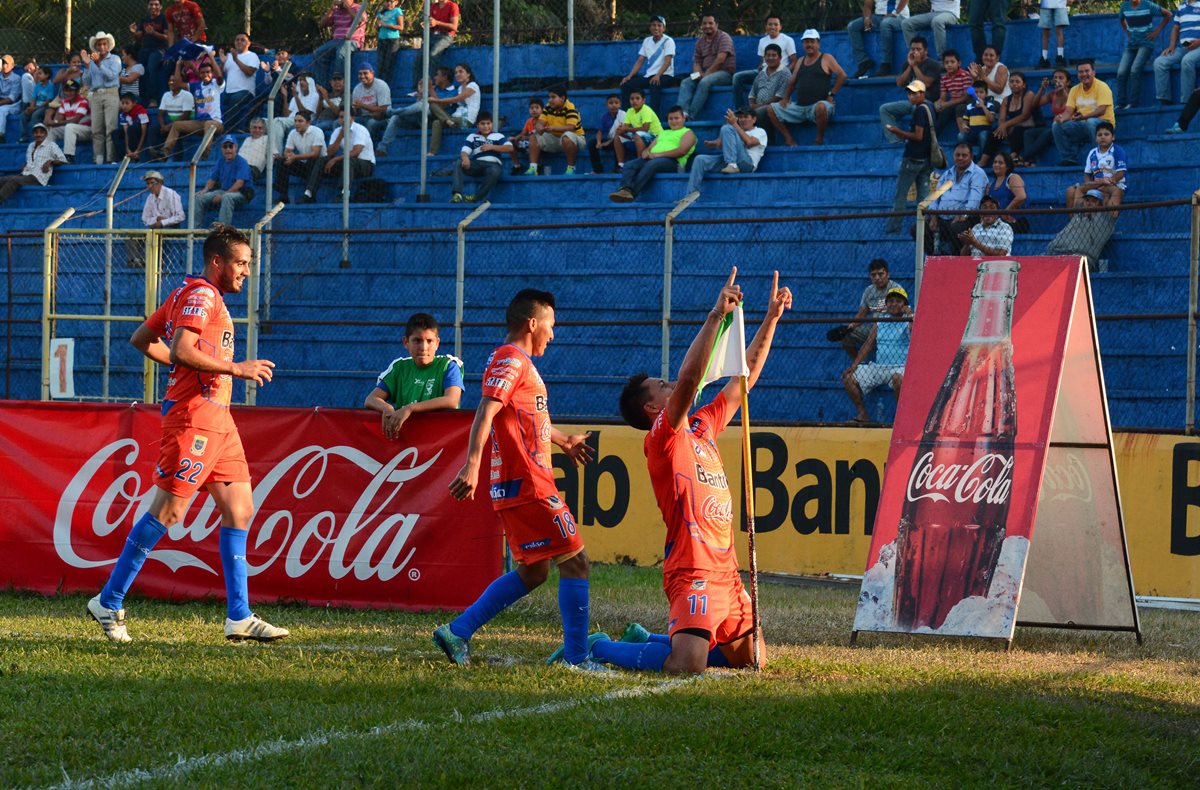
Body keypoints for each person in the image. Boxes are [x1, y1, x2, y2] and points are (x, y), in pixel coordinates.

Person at [86, 223, 287, 645]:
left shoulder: (186, 293)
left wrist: (184, 366)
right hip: (194, 418)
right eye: (242, 263)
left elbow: (143, 338)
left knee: (239, 508)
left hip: (219, 419)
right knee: (169, 512)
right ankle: (109, 600)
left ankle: (239, 617)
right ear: (218, 262)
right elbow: (179, 348)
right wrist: (236, 368)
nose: (246, 271)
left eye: (249, 264)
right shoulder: (201, 296)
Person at [606, 268, 790, 674]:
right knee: (688, 665)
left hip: (726, 569)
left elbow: (743, 380)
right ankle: (600, 647)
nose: (671, 384)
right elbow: (690, 379)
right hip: (692, 570)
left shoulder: (701, 426)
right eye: (662, 385)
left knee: (752, 659)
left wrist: (771, 320)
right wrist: (714, 317)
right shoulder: (662, 437)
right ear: (652, 409)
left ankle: (654, 639)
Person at [436, 289, 600, 669]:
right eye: (551, 325)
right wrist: (472, 464)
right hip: (529, 483)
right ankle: (576, 660)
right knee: (577, 563)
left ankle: (457, 631)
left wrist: (562, 440)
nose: (553, 334)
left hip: (518, 484)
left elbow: (521, 418)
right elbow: (486, 411)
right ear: (532, 323)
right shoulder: (512, 359)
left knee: (534, 571)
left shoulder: (515, 361)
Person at [364, 312, 463, 439]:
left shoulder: (449, 365)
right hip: (407, 443)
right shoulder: (399, 367)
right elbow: (370, 399)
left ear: (437, 343)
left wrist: (409, 408)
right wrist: (386, 408)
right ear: (406, 342)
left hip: (441, 442)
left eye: (429, 341)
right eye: (417, 340)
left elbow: (451, 400)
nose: (424, 347)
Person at [843, 285, 910, 424]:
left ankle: (902, 418)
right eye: (890, 301)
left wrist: (910, 314)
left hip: (900, 367)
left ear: (904, 304)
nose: (894, 304)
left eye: (898, 301)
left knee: (898, 379)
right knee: (847, 377)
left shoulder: (909, 320)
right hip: (879, 368)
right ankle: (862, 414)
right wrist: (854, 365)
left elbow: (916, 333)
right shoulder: (880, 321)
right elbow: (868, 344)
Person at [769, 30, 846, 146]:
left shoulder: (826, 58)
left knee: (821, 107)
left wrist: (831, 94)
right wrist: (785, 98)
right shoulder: (800, 60)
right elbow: (792, 82)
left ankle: (819, 139)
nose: (809, 44)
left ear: (818, 43)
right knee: (771, 109)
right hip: (799, 108)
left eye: (812, 41)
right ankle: (789, 139)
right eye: (806, 42)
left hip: (817, 106)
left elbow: (842, 76)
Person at [609, 105, 695, 202]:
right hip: (654, 158)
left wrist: (658, 155)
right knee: (629, 165)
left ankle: (632, 193)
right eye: (671, 119)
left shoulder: (688, 133)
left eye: (676, 118)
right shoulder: (664, 133)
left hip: (673, 162)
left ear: (683, 119)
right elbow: (650, 147)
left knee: (652, 164)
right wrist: (646, 152)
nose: (673, 121)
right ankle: (625, 189)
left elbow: (682, 151)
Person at [885, 80, 935, 234]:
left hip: (913, 157)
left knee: (901, 194)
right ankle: (923, 227)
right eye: (909, 93)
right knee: (923, 197)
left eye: (914, 93)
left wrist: (897, 132)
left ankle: (894, 227)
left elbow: (918, 135)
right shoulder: (930, 107)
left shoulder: (920, 110)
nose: (911, 96)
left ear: (922, 94)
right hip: (926, 159)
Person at [833, 258, 903, 360]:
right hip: (873, 328)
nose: (877, 278)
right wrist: (851, 326)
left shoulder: (896, 288)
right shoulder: (868, 291)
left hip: (891, 330)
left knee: (875, 329)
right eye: (873, 275)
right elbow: (861, 315)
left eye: (880, 274)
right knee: (845, 334)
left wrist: (881, 325)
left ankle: (855, 365)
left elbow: (901, 311)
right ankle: (859, 366)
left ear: (888, 274)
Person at [687, 106, 767, 193]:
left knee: (727, 128)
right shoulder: (734, 130)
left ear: (754, 119)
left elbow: (749, 142)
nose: (742, 119)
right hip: (730, 161)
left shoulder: (760, 131)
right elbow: (723, 145)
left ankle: (732, 165)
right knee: (700, 159)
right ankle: (691, 194)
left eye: (746, 117)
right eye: (740, 117)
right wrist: (712, 144)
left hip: (747, 164)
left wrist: (734, 124)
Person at [159, 53, 223, 159]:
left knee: (208, 124)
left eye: (208, 72)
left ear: (212, 73)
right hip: (199, 123)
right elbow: (178, 84)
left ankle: (204, 154)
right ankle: (165, 152)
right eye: (202, 72)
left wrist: (210, 56)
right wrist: (178, 65)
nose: (205, 74)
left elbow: (220, 76)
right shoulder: (196, 86)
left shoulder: (217, 84)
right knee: (177, 125)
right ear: (199, 74)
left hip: (216, 123)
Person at [879, 37, 942, 142]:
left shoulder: (933, 64)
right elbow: (899, 83)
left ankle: (913, 137)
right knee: (884, 109)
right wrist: (910, 66)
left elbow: (925, 84)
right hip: (911, 102)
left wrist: (915, 66)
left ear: (925, 51)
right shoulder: (908, 63)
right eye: (912, 49)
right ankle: (896, 141)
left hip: (928, 103)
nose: (915, 52)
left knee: (918, 109)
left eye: (918, 49)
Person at [928, 142, 988, 252]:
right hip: (942, 218)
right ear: (953, 155)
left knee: (957, 228)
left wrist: (962, 215)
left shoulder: (978, 173)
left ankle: (957, 260)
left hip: (967, 218)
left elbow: (974, 200)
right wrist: (933, 216)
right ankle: (940, 257)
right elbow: (935, 197)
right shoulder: (947, 174)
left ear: (971, 157)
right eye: (957, 155)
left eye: (964, 155)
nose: (960, 158)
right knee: (918, 228)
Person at [1052, 61, 1114, 165]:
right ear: (1077, 74)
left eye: (1087, 71)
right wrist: (1061, 118)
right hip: (1082, 124)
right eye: (1081, 72)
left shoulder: (1103, 86)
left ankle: (1098, 157)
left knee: (1090, 122)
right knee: (1056, 125)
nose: (1084, 74)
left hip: (1103, 123)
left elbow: (1102, 110)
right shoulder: (1074, 90)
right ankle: (1069, 158)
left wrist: (1084, 117)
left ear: (1093, 73)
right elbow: (1068, 111)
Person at [677, 15, 736, 120]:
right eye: (704, 23)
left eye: (710, 23)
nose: (707, 26)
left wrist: (706, 74)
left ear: (716, 25)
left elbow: (720, 59)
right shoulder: (700, 42)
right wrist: (698, 73)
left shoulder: (724, 37)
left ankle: (691, 116)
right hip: (704, 73)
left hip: (724, 73)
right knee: (686, 82)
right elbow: (696, 61)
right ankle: (682, 114)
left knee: (705, 82)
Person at [732, 16, 798, 107]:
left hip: (779, 73)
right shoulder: (762, 41)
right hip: (763, 71)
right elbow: (762, 61)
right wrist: (760, 70)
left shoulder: (787, 40)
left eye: (775, 24)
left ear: (780, 27)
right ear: (766, 26)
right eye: (770, 24)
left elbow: (794, 61)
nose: (773, 27)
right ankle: (740, 110)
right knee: (737, 77)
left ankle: (759, 108)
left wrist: (784, 71)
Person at [1046, 188, 1117, 271]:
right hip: (1054, 252)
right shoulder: (1078, 213)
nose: (1089, 203)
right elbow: (1079, 190)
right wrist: (1098, 182)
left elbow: (1117, 191)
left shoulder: (1105, 219)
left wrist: (1104, 184)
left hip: (1080, 257)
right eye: (1087, 200)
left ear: (1101, 204)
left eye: (1094, 201)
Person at [1117, 0, 1171, 109]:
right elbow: (1121, 20)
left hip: (1146, 44)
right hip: (1131, 44)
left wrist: (1157, 31)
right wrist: (1128, 32)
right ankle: (1120, 103)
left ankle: (1132, 103)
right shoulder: (1125, 6)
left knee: (1134, 70)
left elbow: (1168, 14)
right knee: (1121, 72)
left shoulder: (1148, 5)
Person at [620, 15, 676, 117]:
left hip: (665, 75)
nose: (656, 28)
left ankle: (654, 119)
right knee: (626, 85)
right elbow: (640, 60)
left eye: (659, 25)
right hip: (649, 76)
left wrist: (658, 75)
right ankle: (626, 117)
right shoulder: (647, 41)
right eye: (653, 25)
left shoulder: (669, 41)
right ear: (650, 27)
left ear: (664, 28)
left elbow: (668, 61)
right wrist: (629, 76)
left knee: (654, 84)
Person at [311, 113, 375, 199]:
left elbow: (356, 152)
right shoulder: (337, 131)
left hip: (366, 165)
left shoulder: (361, 130)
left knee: (348, 161)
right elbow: (330, 153)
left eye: (346, 117)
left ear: (353, 117)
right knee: (323, 160)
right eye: (341, 117)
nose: (343, 120)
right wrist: (340, 136)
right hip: (348, 164)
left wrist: (336, 159)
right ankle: (309, 193)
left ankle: (344, 194)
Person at [127, 169, 183, 267]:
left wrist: (163, 222)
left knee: (155, 234)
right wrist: (156, 219)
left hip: (171, 227)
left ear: (160, 183)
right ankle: (136, 260)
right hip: (155, 227)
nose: (149, 186)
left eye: (152, 183)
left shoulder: (171, 194)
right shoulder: (150, 198)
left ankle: (151, 262)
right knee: (131, 235)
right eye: (148, 184)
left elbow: (180, 216)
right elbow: (145, 218)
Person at [0, 123, 65, 206]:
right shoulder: (31, 145)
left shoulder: (52, 145)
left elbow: (63, 160)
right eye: (36, 132)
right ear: (33, 134)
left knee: (13, 181)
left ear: (46, 134)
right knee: (2, 179)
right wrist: (26, 164)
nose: (38, 134)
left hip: (38, 178)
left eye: (41, 132)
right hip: (26, 174)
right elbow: (33, 160)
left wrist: (50, 162)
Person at [451, 111, 511, 202]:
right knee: (458, 163)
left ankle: (477, 197)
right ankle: (457, 194)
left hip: (493, 165)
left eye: (488, 123)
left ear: (492, 124)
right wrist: (465, 158)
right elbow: (464, 151)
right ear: (477, 125)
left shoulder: (498, 136)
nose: (486, 126)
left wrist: (492, 147)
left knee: (495, 171)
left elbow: (510, 148)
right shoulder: (472, 136)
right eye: (482, 124)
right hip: (477, 164)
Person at [525, 85, 584, 175]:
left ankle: (571, 169)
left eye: (553, 97)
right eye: (549, 97)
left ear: (562, 98)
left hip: (576, 138)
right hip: (555, 138)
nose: (549, 100)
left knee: (566, 137)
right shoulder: (548, 107)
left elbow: (570, 127)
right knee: (534, 137)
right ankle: (533, 168)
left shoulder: (571, 108)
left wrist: (552, 128)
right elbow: (539, 123)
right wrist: (539, 128)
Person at [82, 31, 122, 164]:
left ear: (108, 45)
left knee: (111, 127)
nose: (102, 47)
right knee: (96, 129)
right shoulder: (92, 61)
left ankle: (111, 159)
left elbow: (112, 76)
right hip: (96, 94)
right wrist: (87, 65)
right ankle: (98, 159)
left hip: (111, 93)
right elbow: (86, 81)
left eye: (104, 44)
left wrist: (99, 64)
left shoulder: (115, 59)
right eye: (99, 44)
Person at [982, 71, 1038, 165]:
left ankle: (1012, 157)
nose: (1014, 84)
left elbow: (1025, 115)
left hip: (1029, 125)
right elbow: (1001, 119)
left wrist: (1006, 125)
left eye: (1017, 81)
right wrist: (1001, 128)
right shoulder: (1006, 100)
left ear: (1023, 85)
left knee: (1018, 130)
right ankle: (983, 160)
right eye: (1011, 82)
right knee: (995, 133)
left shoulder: (1029, 94)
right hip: (1012, 126)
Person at [1067, 121, 1127, 207]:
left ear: (1113, 137)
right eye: (1099, 135)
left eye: (1106, 134)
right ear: (1095, 138)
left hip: (1113, 184)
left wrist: (1109, 181)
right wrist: (1090, 184)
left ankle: (1109, 219)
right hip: (1096, 184)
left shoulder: (1118, 151)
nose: (1103, 137)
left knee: (1113, 193)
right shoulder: (1092, 153)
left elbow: (1121, 173)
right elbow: (1087, 174)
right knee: (1070, 191)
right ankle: (1077, 219)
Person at [197, 134, 253, 224]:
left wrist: (223, 195)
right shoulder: (221, 161)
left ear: (236, 147)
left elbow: (240, 183)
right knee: (199, 198)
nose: (228, 149)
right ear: (221, 148)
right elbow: (212, 179)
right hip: (224, 191)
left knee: (227, 197)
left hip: (242, 193)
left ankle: (223, 231)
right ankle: (193, 231)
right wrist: (205, 190)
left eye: (230, 146)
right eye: (225, 146)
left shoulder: (242, 162)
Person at [1153, 0, 1200, 104]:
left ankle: (1187, 101)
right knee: (1159, 62)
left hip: (1199, 47)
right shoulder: (1182, 6)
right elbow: (1175, 28)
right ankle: (1164, 99)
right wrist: (1172, 46)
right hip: (1184, 48)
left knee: (1187, 61)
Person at [1020, 68, 1071, 164]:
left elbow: (1073, 107)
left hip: (1067, 126)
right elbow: (1034, 104)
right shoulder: (1051, 95)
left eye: (1061, 78)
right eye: (1055, 78)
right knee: (1028, 133)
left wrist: (1063, 91)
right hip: (1054, 125)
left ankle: (1023, 157)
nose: (1058, 80)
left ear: (1068, 82)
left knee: (1047, 133)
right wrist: (1042, 88)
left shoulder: (1073, 92)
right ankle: (1030, 162)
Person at [848, 0, 910, 78]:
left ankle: (886, 64)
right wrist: (867, 18)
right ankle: (863, 61)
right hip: (879, 17)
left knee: (885, 24)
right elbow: (867, 5)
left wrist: (895, 13)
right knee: (852, 26)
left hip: (899, 16)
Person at [275, 109, 326, 203]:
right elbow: (287, 151)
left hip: (320, 167)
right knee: (282, 161)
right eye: (295, 121)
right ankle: (283, 195)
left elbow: (315, 153)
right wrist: (289, 157)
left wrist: (295, 157)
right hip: (305, 166)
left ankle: (309, 196)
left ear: (308, 122)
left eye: (300, 121)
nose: (297, 124)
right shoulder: (293, 133)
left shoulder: (317, 131)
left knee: (313, 160)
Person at [428, 63, 479, 156]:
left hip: (465, 119)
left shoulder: (472, 85)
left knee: (434, 102)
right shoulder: (459, 88)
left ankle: (447, 120)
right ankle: (432, 152)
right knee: (436, 121)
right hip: (454, 118)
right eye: (456, 72)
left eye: (461, 71)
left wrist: (436, 99)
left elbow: (457, 99)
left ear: (468, 74)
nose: (458, 74)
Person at [412, 0, 459, 90]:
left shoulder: (452, 5)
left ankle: (434, 86)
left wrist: (437, 23)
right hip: (432, 35)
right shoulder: (434, 6)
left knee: (433, 54)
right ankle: (417, 88)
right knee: (419, 57)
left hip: (446, 36)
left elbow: (454, 27)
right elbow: (431, 22)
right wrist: (426, 24)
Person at [315, 0, 366, 83]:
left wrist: (348, 8)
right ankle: (322, 85)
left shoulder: (358, 8)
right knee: (318, 53)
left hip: (352, 40)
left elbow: (360, 20)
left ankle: (338, 82)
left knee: (341, 53)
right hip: (336, 40)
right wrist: (331, 10)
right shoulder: (336, 10)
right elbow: (322, 24)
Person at [130, 0, 169, 107]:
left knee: (151, 67)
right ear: (148, 6)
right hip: (145, 49)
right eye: (151, 4)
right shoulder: (144, 19)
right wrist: (134, 33)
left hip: (159, 49)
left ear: (160, 6)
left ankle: (153, 99)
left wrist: (154, 33)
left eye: (156, 4)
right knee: (140, 70)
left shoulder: (164, 19)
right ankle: (143, 100)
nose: (153, 6)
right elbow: (138, 36)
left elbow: (167, 37)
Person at [43, 80, 92, 163]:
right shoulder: (64, 102)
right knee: (51, 129)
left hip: (86, 130)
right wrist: (49, 119)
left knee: (70, 126)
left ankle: (68, 157)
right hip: (73, 130)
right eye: (66, 90)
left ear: (77, 91)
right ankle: (48, 156)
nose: (68, 93)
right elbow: (59, 119)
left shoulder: (83, 101)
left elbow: (75, 120)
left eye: (71, 90)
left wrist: (54, 122)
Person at [221, 32, 260, 132]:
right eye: (237, 40)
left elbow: (249, 72)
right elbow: (220, 75)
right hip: (228, 91)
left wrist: (236, 59)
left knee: (235, 100)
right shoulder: (229, 56)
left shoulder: (252, 56)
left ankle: (227, 131)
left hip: (245, 91)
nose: (239, 42)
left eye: (242, 40)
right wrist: (222, 63)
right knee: (215, 99)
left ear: (249, 43)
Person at [746, 44, 790, 129]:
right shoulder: (762, 72)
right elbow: (752, 93)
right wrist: (751, 104)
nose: (770, 58)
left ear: (780, 58)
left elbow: (778, 97)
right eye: (768, 55)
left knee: (758, 113)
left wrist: (759, 106)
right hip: (758, 106)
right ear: (764, 58)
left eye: (774, 55)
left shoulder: (785, 73)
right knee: (733, 116)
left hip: (775, 107)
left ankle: (767, 140)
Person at [985, 151, 1028, 231]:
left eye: (1000, 163)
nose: (996, 165)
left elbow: (1022, 196)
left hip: (1015, 221)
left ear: (1007, 166)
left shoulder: (1013, 178)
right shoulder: (990, 185)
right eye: (995, 162)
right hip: (996, 222)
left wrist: (1006, 212)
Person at [615, 87, 663, 159]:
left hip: (655, 137)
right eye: (632, 99)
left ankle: (639, 161)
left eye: (637, 98)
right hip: (641, 135)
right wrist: (621, 129)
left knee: (638, 134)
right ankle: (620, 165)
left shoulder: (646, 110)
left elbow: (645, 129)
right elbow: (625, 127)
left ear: (643, 100)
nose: (634, 101)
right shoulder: (629, 111)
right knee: (618, 137)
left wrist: (626, 129)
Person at [933, 49, 972, 133]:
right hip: (952, 104)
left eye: (952, 62)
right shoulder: (944, 78)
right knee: (933, 109)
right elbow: (942, 97)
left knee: (947, 111)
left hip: (964, 104)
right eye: (946, 63)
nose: (949, 65)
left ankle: (932, 136)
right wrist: (937, 103)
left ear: (959, 63)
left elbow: (966, 97)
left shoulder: (965, 75)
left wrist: (946, 104)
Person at [956, 80, 998, 157]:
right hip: (972, 133)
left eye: (981, 92)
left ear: (986, 94)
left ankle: (981, 157)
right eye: (976, 92)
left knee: (983, 135)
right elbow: (965, 121)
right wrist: (964, 126)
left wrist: (983, 107)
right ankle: (967, 155)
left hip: (985, 132)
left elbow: (991, 119)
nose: (978, 95)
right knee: (960, 136)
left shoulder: (989, 105)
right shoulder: (969, 106)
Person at [587, 94, 627, 173]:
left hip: (622, 140)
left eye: (616, 103)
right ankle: (597, 170)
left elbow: (621, 133)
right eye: (611, 103)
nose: (613, 105)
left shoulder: (623, 115)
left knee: (617, 141)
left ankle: (617, 168)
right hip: (610, 141)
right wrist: (598, 142)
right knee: (592, 143)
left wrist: (606, 143)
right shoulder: (605, 117)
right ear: (606, 105)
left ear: (620, 105)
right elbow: (600, 131)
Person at [350, 63, 390, 141]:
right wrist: (354, 109)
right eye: (360, 74)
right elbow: (356, 111)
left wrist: (362, 106)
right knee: (341, 123)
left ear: (372, 73)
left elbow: (384, 109)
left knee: (371, 123)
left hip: (383, 118)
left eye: (365, 73)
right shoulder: (357, 89)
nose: (362, 76)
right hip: (364, 117)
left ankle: (367, 149)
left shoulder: (381, 85)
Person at [506, 95, 543, 173]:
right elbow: (523, 133)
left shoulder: (543, 120)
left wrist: (526, 138)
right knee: (510, 143)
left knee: (533, 143)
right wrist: (515, 138)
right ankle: (517, 165)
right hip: (526, 142)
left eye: (537, 108)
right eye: (532, 108)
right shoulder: (529, 121)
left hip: (538, 143)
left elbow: (541, 135)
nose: (534, 110)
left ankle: (538, 166)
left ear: (542, 110)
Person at [375, 0, 405, 87]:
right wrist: (378, 26)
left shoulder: (397, 11)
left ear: (396, 2)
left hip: (392, 40)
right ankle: (379, 85)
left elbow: (401, 27)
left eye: (391, 1)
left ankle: (387, 86)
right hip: (382, 39)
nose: (389, 4)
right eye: (387, 1)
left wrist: (386, 25)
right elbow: (377, 27)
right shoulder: (382, 12)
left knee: (388, 64)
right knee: (380, 64)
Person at [21, 66, 55, 144]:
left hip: (45, 107)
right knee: (23, 115)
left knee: (35, 115)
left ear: (47, 75)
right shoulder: (37, 86)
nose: (38, 75)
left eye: (40, 73)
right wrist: (31, 107)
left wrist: (35, 109)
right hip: (36, 107)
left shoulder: (50, 86)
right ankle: (24, 137)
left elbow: (47, 101)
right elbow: (34, 99)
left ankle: (38, 138)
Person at [118, 92, 150, 161]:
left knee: (132, 128)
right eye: (122, 103)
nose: (124, 106)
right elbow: (126, 133)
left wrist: (138, 150)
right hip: (130, 133)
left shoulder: (141, 112)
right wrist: (127, 149)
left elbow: (143, 133)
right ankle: (123, 157)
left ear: (134, 103)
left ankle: (135, 156)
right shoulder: (122, 114)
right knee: (115, 133)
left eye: (127, 103)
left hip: (141, 134)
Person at [0, 55, 25, 144]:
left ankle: (1, 136)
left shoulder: (16, 78)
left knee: (1, 110)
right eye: (3, 64)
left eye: (6, 64)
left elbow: (12, 99)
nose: (4, 66)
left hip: (14, 105)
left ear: (12, 65)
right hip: (2, 102)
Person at [1038, 0, 1070, 67]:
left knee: (1059, 29)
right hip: (1045, 4)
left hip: (1060, 4)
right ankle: (1044, 58)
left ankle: (1060, 56)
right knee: (1045, 30)